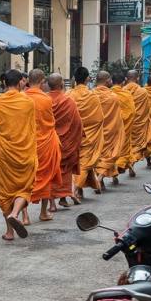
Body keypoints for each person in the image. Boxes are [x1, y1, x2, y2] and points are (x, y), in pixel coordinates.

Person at [0, 69, 37, 241]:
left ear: (3, 83)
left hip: (6, 152)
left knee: (6, 192)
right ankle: (16, 213)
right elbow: (31, 124)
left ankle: (9, 232)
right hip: (25, 152)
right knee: (25, 187)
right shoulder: (28, 102)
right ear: (20, 82)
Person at [24, 69, 62, 222]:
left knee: (25, 178)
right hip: (45, 141)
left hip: (27, 143)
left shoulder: (22, 98)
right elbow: (50, 122)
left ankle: (25, 216)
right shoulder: (46, 99)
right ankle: (43, 212)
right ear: (42, 81)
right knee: (46, 176)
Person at [48, 73, 83, 209]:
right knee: (65, 169)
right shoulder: (68, 101)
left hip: (49, 142)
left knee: (50, 170)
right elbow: (77, 123)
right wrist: (77, 138)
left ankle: (52, 203)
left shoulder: (44, 100)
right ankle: (63, 197)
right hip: (66, 142)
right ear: (62, 84)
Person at [69, 67, 104, 201]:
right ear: (87, 78)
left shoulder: (69, 95)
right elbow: (99, 118)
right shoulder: (92, 96)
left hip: (72, 135)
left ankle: (83, 188)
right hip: (88, 136)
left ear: (74, 79)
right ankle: (75, 188)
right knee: (84, 162)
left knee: (77, 161)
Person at [93, 71, 125, 192]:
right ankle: (100, 177)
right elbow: (117, 117)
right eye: (110, 80)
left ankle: (101, 178)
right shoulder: (113, 97)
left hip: (96, 133)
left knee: (98, 156)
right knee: (111, 155)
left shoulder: (91, 95)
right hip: (110, 132)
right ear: (107, 81)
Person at [124, 70, 151, 169]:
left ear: (126, 79)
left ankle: (130, 162)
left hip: (127, 124)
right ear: (137, 78)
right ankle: (132, 162)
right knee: (139, 145)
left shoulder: (122, 91)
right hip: (140, 124)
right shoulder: (143, 91)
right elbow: (146, 110)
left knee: (127, 145)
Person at [111, 71, 137, 179]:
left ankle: (115, 174)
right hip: (124, 128)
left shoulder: (108, 94)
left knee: (112, 150)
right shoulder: (127, 95)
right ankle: (127, 167)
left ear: (112, 82)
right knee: (124, 149)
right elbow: (132, 112)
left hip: (111, 128)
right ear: (123, 82)